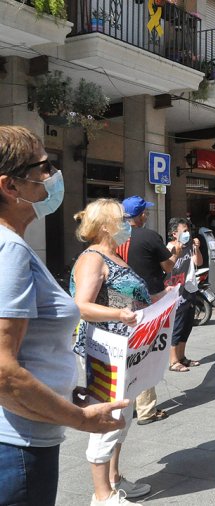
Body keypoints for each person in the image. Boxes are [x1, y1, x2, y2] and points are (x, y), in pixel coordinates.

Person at [0, 127, 127, 506]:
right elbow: (4, 371)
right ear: (10, 186)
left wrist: (62, 390)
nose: (53, 176)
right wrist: (80, 419)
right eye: (43, 166)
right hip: (18, 444)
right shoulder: (10, 251)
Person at [71, 199, 163, 505]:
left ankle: (114, 479)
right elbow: (82, 306)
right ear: (107, 225)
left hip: (125, 349)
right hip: (102, 351)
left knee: (121, 417)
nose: (128, 224)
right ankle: (103, 496)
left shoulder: (115, 256)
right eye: (122, 219)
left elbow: (130, 297)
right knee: (106, 418)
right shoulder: (93, 258)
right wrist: (119, 316)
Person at [118, 196, 174, 427]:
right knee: (145, 351)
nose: (147, 215)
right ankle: (146, 409)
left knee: (124, 353)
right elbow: (168, 265)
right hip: (148, 300)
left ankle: (124, 406)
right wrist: (175, 251)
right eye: (145, 212)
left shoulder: (114, 237)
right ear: (140, 215)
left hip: (119, 302)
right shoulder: (149, 236)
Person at [164, 218, 204, 371]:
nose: (187, 233)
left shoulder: (189, 247)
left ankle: (182, 357)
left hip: (191, 288)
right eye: (184, 231)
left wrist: (197, 248)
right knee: (178, 324)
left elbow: (198, 262)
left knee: (187, 324)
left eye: (188, 230)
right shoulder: (169, 248)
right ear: (175, 233)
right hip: (177, 291)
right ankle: (173, 360)